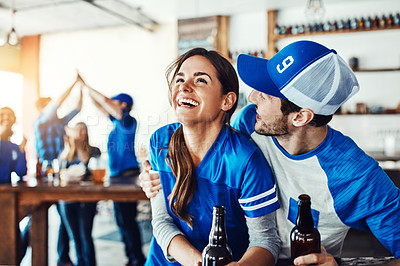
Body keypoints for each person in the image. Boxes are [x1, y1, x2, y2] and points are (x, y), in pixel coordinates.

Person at [139, 41, 400, 265]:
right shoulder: (251, 122)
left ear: (300, 116)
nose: (252, 97)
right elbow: (205, 145)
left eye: (266, 95)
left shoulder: (357, 176)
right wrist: (154, 175)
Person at [140, 47, 280, 266]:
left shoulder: (244, 160)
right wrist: (198, 262)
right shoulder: (160, 141)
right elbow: (161, 220)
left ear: (227, 101)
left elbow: (266, 241)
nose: (183, 87)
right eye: (179, 79)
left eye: (200, 81)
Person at [82, 75, 146, 266]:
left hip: (127, 176)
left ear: (124, 105)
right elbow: (100, 105)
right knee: (121, 221)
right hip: (118, 177)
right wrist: (85, 90)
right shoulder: (118, 123)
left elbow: (105, 101)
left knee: (127, 220)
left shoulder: (128, 121)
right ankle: (132, 258)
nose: (112, 105)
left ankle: (137, 259)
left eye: (116, 102)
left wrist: (87, 84)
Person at [34, 76, 83, 266]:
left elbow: (77, 108)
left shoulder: (59, 122)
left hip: (60, 173)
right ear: (43, 109)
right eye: (49, 107)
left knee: (64, 216)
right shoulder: (42, 122)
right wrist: (72, 83)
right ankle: (18, 251)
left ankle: (63, 258)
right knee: (37, 216)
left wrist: (80, 87)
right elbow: (56, 104)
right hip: (45, 173)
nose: (55, 110)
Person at [58, 122, 101, 266]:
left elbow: (89, 166)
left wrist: (79, 147)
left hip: (87, 199)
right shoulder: (68, 151)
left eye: (83, 131)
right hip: (68, 199)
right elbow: (61, 167)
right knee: (74, 236)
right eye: (77, 131)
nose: (80, 134)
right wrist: (69, 147)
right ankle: (80, 263)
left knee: (85, 235)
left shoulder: (94, 150)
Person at [0, 106, 29, 262]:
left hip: (7, 199)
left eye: (10, 116)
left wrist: (22, 150)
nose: (7, 118)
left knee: (16, 242)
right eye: (3, 115)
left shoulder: (13, 147)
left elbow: (21, 172)